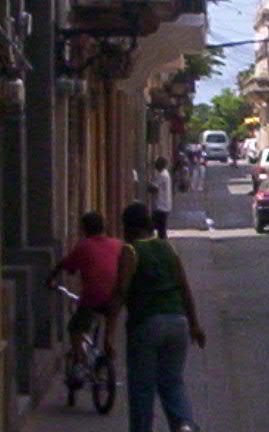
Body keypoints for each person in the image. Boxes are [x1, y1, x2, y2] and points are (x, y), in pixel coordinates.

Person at [107, 202, 205, 432]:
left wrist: (109, 332)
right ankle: (184, 425)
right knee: (172, 381)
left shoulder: (130, 251)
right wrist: (195, 325)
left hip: (147, 324)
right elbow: (184, 287)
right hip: (178, 322)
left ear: (128, 227)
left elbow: (121, 292)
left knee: (142, 388)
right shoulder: (168, 248)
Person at [45, 212, 122, 371]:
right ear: (104, 227)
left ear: (84, 229)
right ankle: (108, 344)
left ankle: (80, 360)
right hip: (116, 298)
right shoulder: (117, 244)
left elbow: (65, 265)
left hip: (93, 298)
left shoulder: (84, 246)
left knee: (75, 327)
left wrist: (50, 279)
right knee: (109, 317)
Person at [148, 157, 173, 239]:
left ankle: (161, 243)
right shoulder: (165, 174)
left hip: (161, 206)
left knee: (155, 227)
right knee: (160, 229)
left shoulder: (162, 175)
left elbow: (153, 187)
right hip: (163, 205)